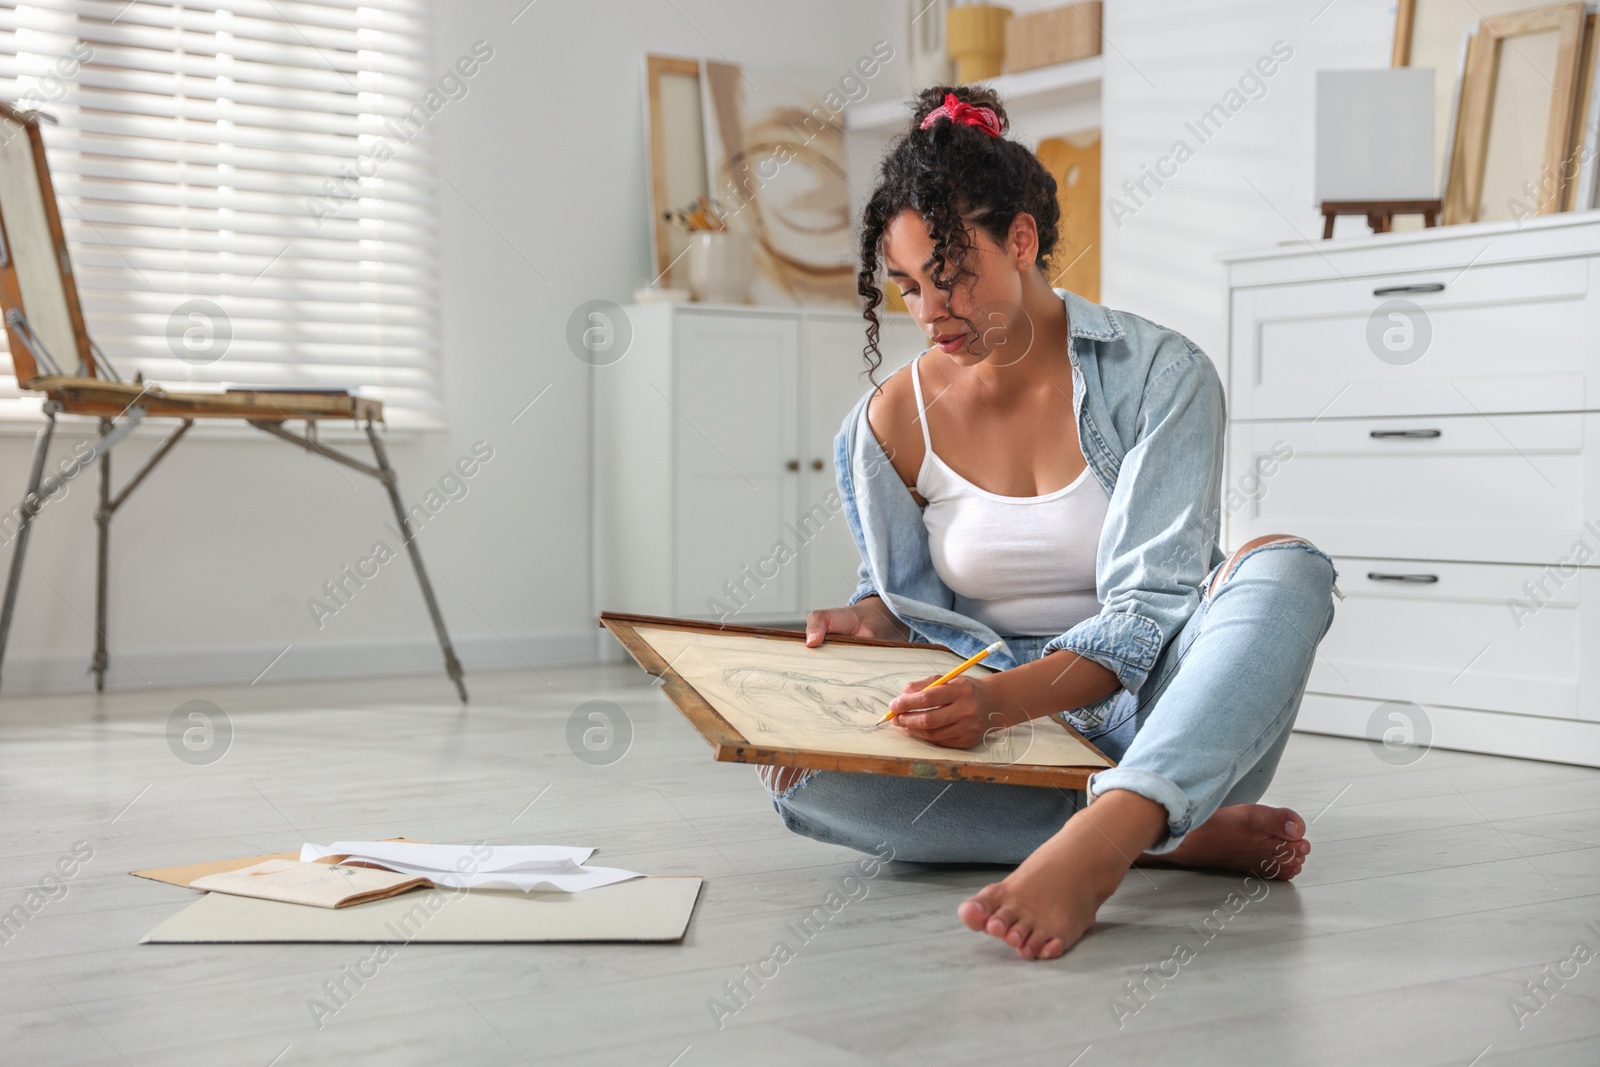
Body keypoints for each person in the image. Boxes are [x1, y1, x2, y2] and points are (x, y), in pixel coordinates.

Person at [755, 86, 1343, 961]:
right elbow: (905, 599)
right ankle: (1164, 826)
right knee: (803, 785)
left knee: (1289, 568)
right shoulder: (884, 423)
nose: (929, 314)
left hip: (1156, 711)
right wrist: (864, 621)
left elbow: (1150, 614)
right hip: (996, 737)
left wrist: (997, 700)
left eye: (950, 276)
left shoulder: (1162, 374)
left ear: (1021, 240)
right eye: (908, 287)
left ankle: (1106, 842)